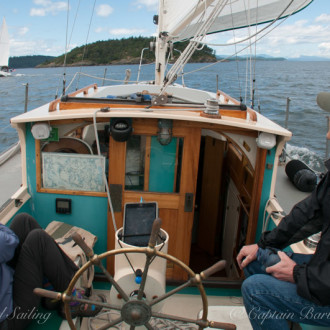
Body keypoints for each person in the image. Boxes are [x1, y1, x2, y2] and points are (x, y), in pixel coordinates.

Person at [237, 158, 330, 330]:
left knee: (255, 291)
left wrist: (297, 274)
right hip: (322, 272)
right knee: (254, 261)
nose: (327, 135)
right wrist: (263, 245)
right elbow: (307, 213)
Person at [0, 213, 104, 330]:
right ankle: (72, 301)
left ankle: (52, 290)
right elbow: (7, 243)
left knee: (24, 221)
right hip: (9, 319)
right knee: (38, 239)